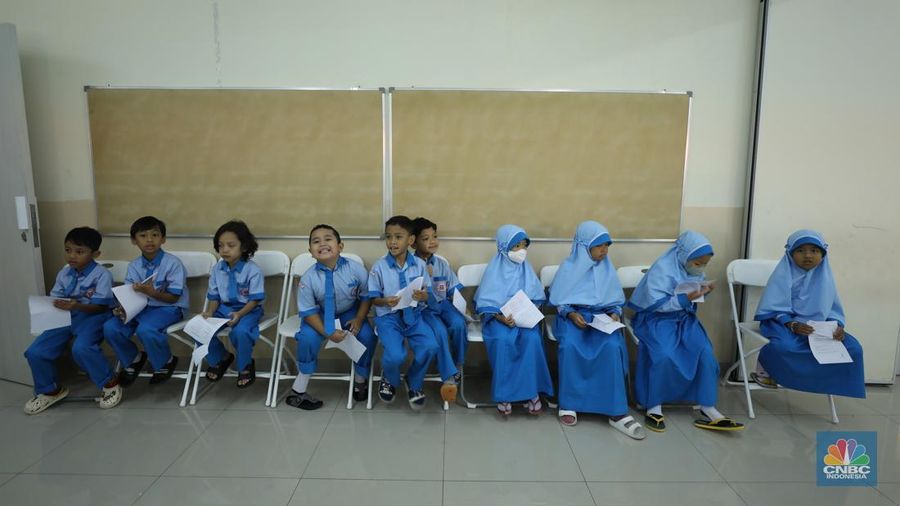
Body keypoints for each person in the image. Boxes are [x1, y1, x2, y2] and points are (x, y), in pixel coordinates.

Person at [627, 230, 743, 432]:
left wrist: (702, 293)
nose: (700, 267)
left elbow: (690, 297)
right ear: (684, 255)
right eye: (697, 263)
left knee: (705, 353)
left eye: (704, 264)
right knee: (663, 355)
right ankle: (654, 405)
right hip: (655, 321)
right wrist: (685, 299)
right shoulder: (661, 270)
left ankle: (708, 407)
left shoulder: (692, 269)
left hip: (683, 320)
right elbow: (654, 304)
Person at [549, 221, 644, 438]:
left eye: (607, 246)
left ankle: (616, 410)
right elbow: (559, 302)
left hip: (602, 318)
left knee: (611, 346)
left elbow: (615, 301)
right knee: (571, 346)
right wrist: (572, 314)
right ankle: (569, 404)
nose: (604, 251)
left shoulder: (607, 268)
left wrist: (614, 314)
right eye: (600, 246)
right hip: (572, 318)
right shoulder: (568, 267)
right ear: (584, 246)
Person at [752, 229, 865, 398]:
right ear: (790, 253)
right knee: (783, 347)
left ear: (823, 253)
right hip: (783, 323)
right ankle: (765, 369)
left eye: (814, 250)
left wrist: (838, 327)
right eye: (800, 250)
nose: (808, 256)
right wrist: (793, 324)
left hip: (818, 326)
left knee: (853, 348)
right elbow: (773, 307)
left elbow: (833, 309)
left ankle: (822, 381)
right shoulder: (783, 275)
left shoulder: (825, 277)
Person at [24, 227, 121, 414]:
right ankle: (50, 391)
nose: (72, 256)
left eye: (79, 251)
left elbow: (101, 306)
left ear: (95, 254)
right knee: (35, 351)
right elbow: (56, 299)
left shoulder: (102, 274)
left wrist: (75, 306)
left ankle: (110, 383)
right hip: (66, 316)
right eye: (68, 250)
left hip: (94, 316)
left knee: (82, 348)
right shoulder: (65, 273)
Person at [474, 224, 553, 417]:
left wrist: (527, 312)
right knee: (504, 340)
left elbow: (536, 296)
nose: (521, 251)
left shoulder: (526, 269)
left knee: (532, 339)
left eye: (524, 245)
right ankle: (505, 394)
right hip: (498, 320)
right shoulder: (494, 270)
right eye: (516, 246)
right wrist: (501, 318)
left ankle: (531, 392)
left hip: (523, 320)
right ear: (503, 247)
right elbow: (486, 301)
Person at [104, 216, 188, 385]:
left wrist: (153, 293)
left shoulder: (173, 263)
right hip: (140, 310)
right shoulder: (134, 265)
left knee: (146, 330)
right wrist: (123, 308)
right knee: (110, 327)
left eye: (155, 235)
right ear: (134, 240)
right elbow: (130, 295)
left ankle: (166, 361)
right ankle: (134, 358)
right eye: (143, 236)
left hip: (169, 308)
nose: (149, 240)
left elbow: (173, 297)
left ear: (163, 238)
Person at [369, 216, 438, 410]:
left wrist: (424, 296)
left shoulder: (419, 264)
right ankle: (389, 378)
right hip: (388, 318)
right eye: (388, 237)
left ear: (410, 240)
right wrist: (385, 300)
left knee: (430, 346)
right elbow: (373, 298)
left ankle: (413, 381)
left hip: (414, 315)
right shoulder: (379, 267)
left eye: (398, 237)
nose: (392, 242)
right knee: (396, 355)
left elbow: (429, 292)